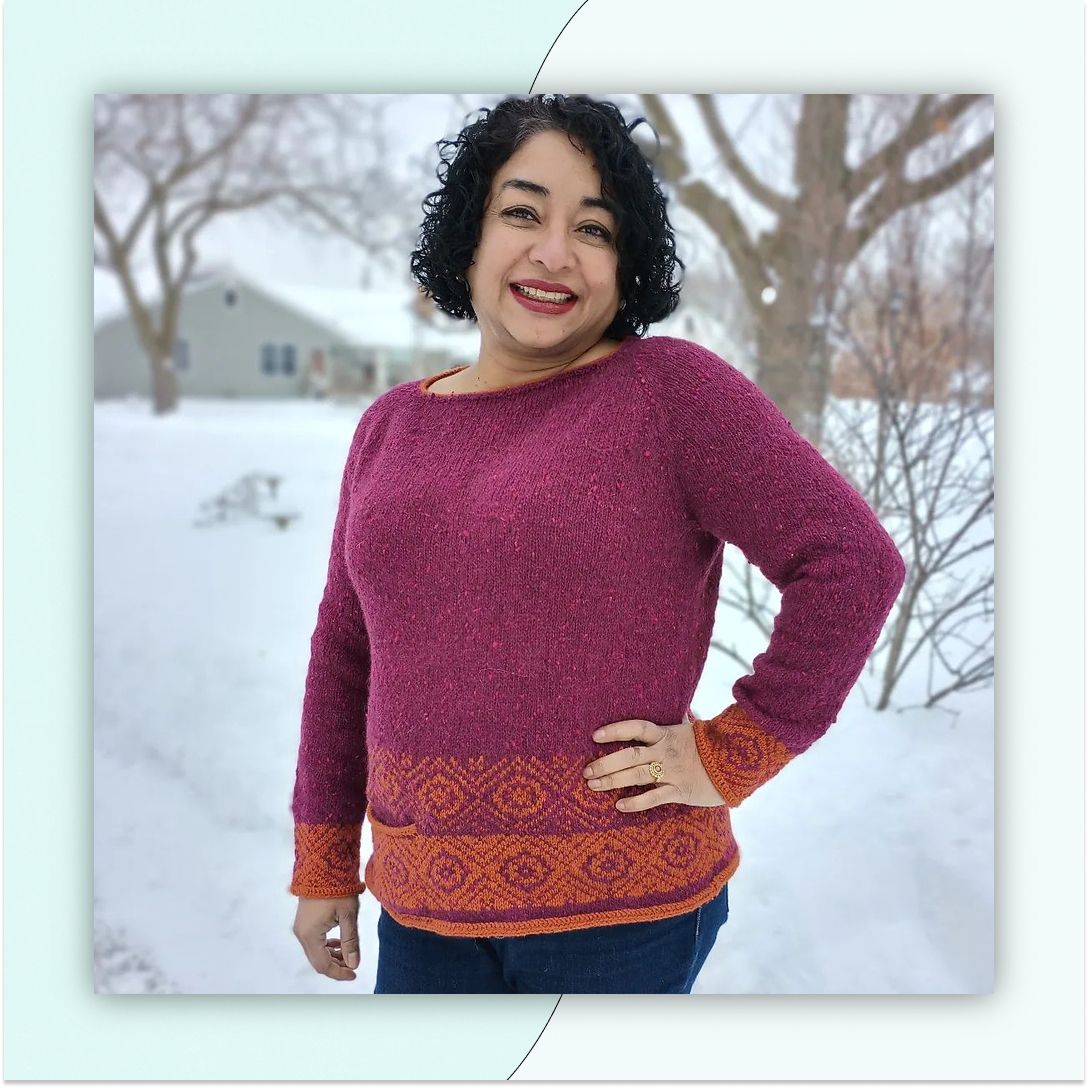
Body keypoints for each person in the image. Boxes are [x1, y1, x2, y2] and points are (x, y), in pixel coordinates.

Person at [288, 94, 906, 994]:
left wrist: (736, 748)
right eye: (523, 211)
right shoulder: (392, 427)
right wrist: (324, 859)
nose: (553, 252)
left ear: (629, 264)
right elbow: (346, 653)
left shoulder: (669, 395)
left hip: (623, 917)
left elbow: (852, 564)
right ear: (471, 232)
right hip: (421, 908)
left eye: (595, 228)